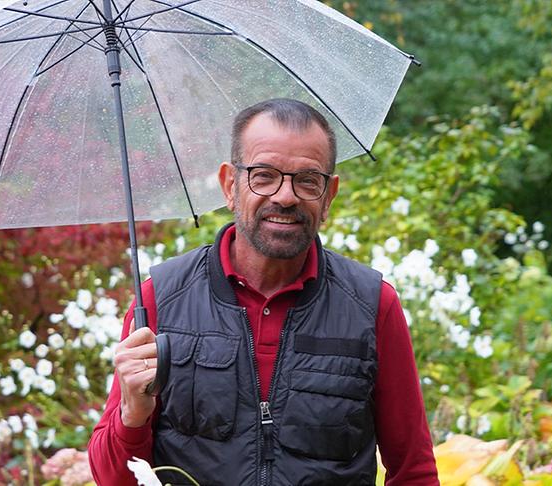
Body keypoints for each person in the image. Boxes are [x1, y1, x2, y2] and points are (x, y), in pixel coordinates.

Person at [88, 99, 439, 485]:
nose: (285, 197)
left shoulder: (371, 305)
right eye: (264, 175)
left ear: (329, 196)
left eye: (307, 180)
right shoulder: (161, 301)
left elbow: (414, 470)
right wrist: (132, 415)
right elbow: (111, 478)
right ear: (229, 185)